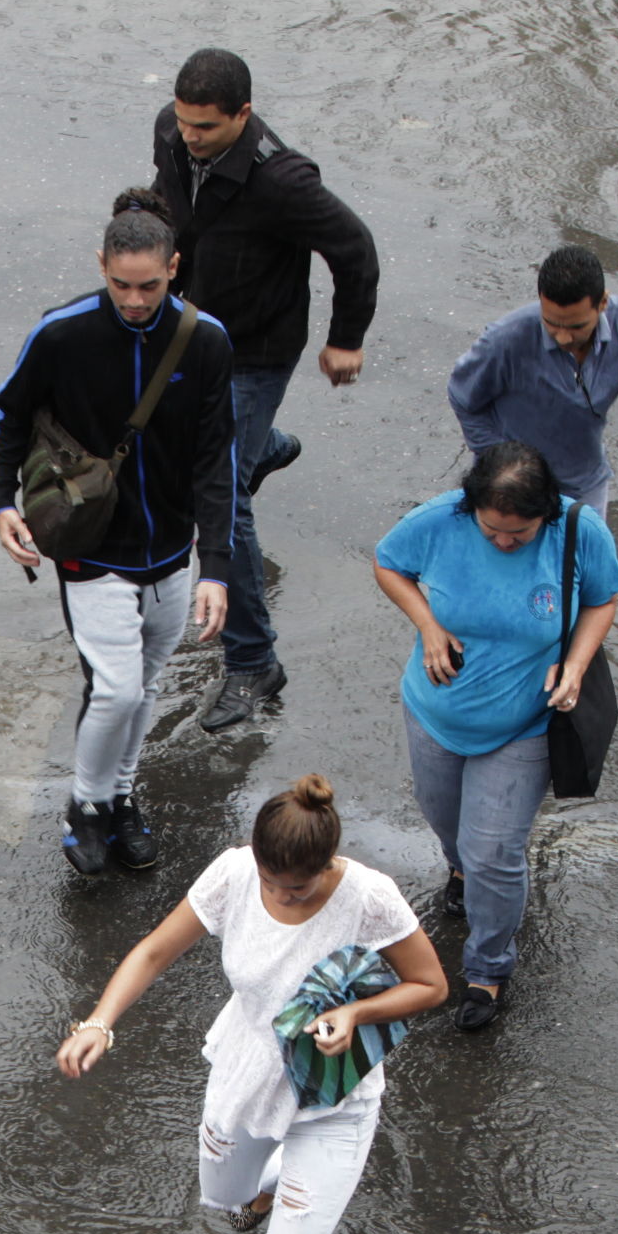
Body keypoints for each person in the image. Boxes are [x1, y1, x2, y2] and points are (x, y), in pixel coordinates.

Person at [55, 776, 446, 1234]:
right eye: (275, 885)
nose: (285, 900)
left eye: (299, 891)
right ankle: (268, 1190)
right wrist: (98, 1022)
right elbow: (151, 952)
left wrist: (357, 1017)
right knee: (225, 1195)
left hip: (333, 1102)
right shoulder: (234, 873)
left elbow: (429, 985)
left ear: (328, 867)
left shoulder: (369, 894)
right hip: (246, 1079)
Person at [0, 192, 238, 877]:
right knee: (119, 689)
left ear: (174, 268)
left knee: (146, 682)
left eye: (149, 286)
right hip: (90, 546)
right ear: (102, 265)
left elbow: (220, 460)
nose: (133, 300)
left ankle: (122, 796)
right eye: (120, 284)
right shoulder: (61, 333)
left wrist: (214, 565)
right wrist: (0, 499)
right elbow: (10, 413)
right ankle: (87, 805)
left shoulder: (206, 341)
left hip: (171, 553)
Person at [146, 47, 381, 733]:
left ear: (243, 115)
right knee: (204, 454)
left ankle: (254, 662)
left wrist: (347, 337)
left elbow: (354, 248)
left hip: (256, 351)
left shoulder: (283, 181)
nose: (190, 137)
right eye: (185, 123)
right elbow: (170, 202)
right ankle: (265, 448)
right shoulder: (170, 130)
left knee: (217, 501)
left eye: (207, 128)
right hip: (192, 329)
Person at [377, 442, 618, 1031]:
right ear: (471, 510)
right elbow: (390, 565)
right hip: (436, 712)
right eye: (493, 530)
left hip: (526, 723)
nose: (505, 542)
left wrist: (576, 666)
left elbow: (602, 598)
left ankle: (487, 969)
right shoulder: (438, 521)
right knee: (445, 819)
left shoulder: (578, 530)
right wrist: (429, 626)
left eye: (520, 533)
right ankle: (458, 871)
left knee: (494, 851)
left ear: (547, 512)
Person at [445, 245, 618, 518]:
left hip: (583, 485)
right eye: (551, 324)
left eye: (576, 327)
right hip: (510, 488)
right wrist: (498, 458)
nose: (562, 337)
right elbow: (462, 396)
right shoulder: (506, 340)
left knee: (582, 559)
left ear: (603, 303)